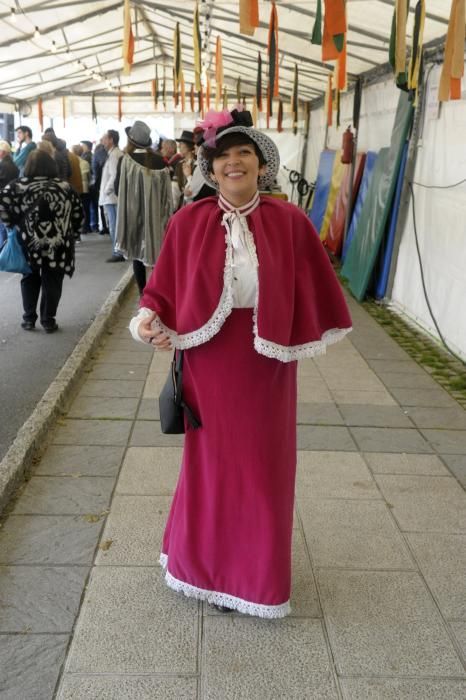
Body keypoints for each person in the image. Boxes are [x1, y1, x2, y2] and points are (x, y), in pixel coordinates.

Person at [128, 108, 352, 618]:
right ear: (210, 167)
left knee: (263, 468)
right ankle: (202, 567)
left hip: (267, 365)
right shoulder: (188, 221)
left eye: (243, 154)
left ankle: (254, 575)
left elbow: (316, 284)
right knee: (211, 468)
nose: (234, 163)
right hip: (209, 363)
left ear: (260, 164)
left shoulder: (289, 221)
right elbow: (161, 290)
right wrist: (147, 322)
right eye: (223, 156)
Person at [0, 150, 83, 332]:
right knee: (53, 279)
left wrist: (12, 225)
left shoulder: (16, 186)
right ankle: (48, 320)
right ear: (51, 166)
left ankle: (29, 318)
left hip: (27, 243)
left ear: (28, 166)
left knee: (29, 277)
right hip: (59, 245)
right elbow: (78, 214)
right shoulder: (65, 187)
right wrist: (73, 233)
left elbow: (2, 206)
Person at [114, 120, 172, 295]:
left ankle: (143, 294)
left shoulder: (126, 160)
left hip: (134, 215)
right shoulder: (160, 162)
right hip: (156, 216)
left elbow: (118, 188)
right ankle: (158, 294)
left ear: (130, 141)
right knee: (158, 254)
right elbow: (167, 196)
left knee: (138, 257)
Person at [98, 129, 123, 261]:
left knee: (114, 225)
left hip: (112, 197)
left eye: (104, 138)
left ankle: (117, 252)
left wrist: (107, 191)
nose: (102, 141)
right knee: (114, 224)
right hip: (111, 196)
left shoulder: (114, 155)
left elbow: (114, 175)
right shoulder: (113, 153)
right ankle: (118, 251)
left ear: (111, 139)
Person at [0, 140, 19, 247]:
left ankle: (3, 253)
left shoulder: (3, 165)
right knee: (7, 228)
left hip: (3, 199)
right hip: (11, 199)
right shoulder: (13, 164)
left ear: (2, 152)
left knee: (2, 228)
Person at [72, 144, 91, 234]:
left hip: (76, 188)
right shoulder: (85, 162)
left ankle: (79, 227)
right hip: (85, 188)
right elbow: (89, 176)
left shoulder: (71, 161)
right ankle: (86, 227)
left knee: (77, 208)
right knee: (86, 208)